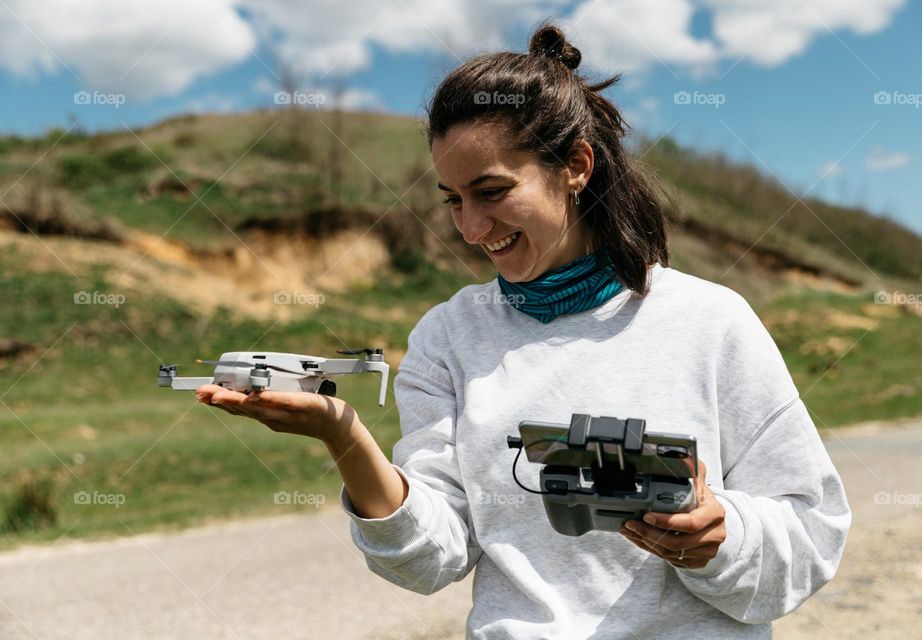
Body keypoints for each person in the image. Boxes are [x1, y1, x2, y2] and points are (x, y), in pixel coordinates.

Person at [197, 23, 851, 640]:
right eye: (453, 199)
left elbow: (810, 533)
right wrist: (344, 435)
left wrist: (722, 536)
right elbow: (433, 557)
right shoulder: (447, 338)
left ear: (576, 166)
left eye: (491, 191)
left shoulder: (711, 323)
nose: (471, 229)